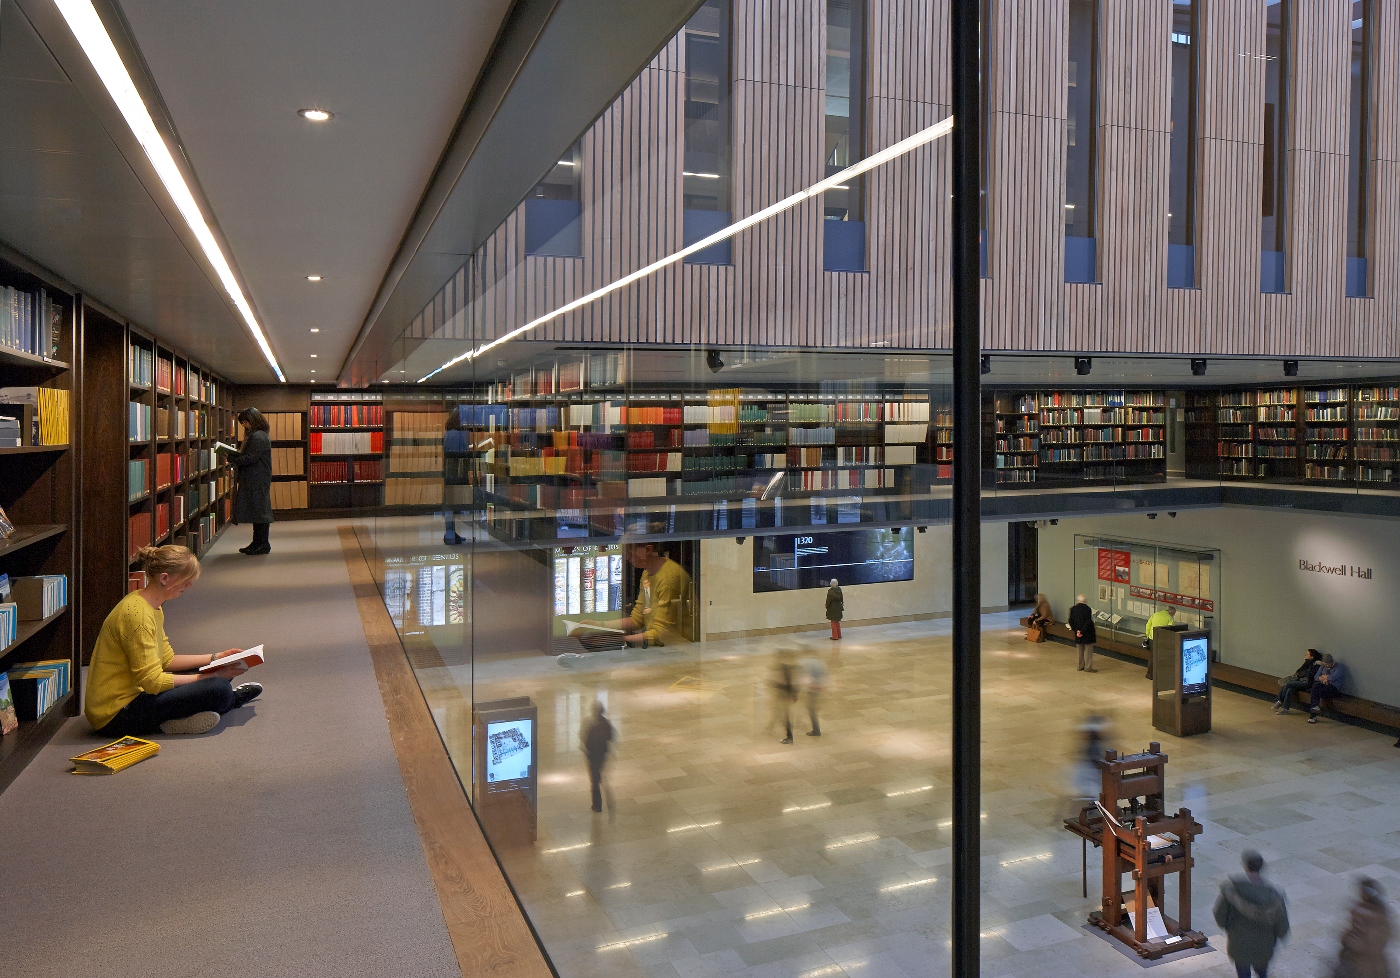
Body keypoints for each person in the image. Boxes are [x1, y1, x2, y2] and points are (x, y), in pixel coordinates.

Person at [85, 545, 262, 737]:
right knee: (218, 688)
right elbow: (153, 682)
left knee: (216, 670)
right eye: (186, 581)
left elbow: (167, 660)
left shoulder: (149, 605)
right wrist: (212, 677)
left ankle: (179, 717)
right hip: (117, 714)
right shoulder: (137, 616)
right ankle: (229, 700)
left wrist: (216, 658)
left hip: (139, 692)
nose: (190, 586)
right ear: (164, 578)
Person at [577, 535, 691, 650]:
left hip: (678, 650)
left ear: (648, 550)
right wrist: (597, 625)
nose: (626, 558)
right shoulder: (647, 573)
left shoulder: (668, 578)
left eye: (629, 552)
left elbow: (662, 634)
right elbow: (637, 619)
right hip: (662, 649)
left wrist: (618, 639)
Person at [1213, 850, 1290, 978]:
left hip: (1239, 943)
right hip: (1264, 945)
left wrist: (1230, 928)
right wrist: (1278, 936)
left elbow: (1219, 915)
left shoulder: (1232, 890)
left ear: (1245, 866)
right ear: (1261, 867)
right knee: (1262, 972)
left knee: (1243, 972)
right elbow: (1282, 926)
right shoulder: (1274, 897)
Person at [219, 407, 274, 555]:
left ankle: (263, 544)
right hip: (255, 477)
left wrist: (231, 457)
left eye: (245, 422)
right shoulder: (258, 435)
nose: (244, 425)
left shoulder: (258, 437)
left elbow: (251, 458)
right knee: (258, 511)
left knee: (261, 512)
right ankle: (257, 542)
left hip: (257, 478)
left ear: (252, 421)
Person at [1330, 877, 1393, 978]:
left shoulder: (1376, 916)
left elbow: (1375, 943)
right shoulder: (1361, 909)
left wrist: (1355, 944)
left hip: (1366, 966)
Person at [580, 701, 614, 815]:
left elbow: (584, 738)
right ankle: (597, 801)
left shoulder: (590, 723)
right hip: (602, 754)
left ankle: (597, 805)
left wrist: (586, 749)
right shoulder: (606, 723)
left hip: (592, 755)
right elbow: (611, 737)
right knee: (596, 777)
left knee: (594, 780)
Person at [1274, 649, 1322, 714]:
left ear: (1312, 657)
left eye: (1307, 654)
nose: (1305, 655)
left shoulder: (1314, 665)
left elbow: (1308, 674)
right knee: (1290, 689)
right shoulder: (1307, 663)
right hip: (1301, 681)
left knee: (1288, 683)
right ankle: (1285, 708)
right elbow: (1299, 672)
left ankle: (1280, 700)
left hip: (1306, 683)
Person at [1307, 653, 1349, 723]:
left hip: (1333, 688)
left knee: (1316, 692)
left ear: (1331, 662)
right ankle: (1314, 708)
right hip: (1323, 685)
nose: (1326, 666)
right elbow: (1316, 677)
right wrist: (1323, 679)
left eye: (1327, 664)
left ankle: (1313, 714)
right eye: (1325, 664)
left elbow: (1334, 677)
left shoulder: (1339, 667)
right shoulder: (1323, 666)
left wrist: (1325, 678)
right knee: (1315, 686)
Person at [771, 650, 799, 744]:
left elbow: (782, 682)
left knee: (785, 716)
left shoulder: (782, 667)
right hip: (787, 695)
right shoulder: (789, 667)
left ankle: (789, 737)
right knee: (783, 715)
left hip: (784, 696)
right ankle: (771, 727)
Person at [799, 651, 828, 737]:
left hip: (811, 689)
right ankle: (816, 729)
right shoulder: (819, 662)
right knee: (813, 709)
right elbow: (825, 675)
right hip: (818, 689)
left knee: (812, 710)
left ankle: (816, 730)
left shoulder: (802, 662)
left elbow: (801, 676)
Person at [1068, 594, 1097, 672]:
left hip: (1077, 633)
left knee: (1079, 650)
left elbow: (1071, 621)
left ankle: (1080, 666)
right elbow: (1088, 622)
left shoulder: (1073, 609)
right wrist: (1082, 631)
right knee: (1088, 651)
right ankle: (1088, 667)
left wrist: (1076, 630)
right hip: (1087, 633)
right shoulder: (1087, 609)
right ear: (1085, 600)